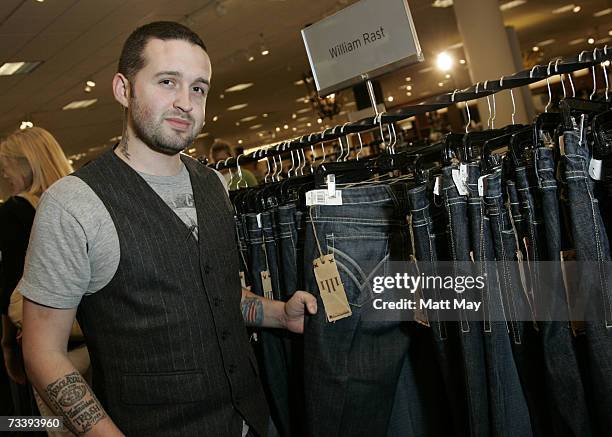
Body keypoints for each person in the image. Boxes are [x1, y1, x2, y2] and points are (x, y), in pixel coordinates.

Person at [19, 21, 316, 437]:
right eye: (166, 82)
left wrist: (279, 315)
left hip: (250, 420)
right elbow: (41, 351)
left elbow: (216, 294)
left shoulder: (213, 184)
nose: (185, 102)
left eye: (198, 88)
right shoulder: (74, 203)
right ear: (123, 89)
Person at [0, 127, 74, 431]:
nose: (4, 175)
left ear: (25, 165)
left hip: (41, 343)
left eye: (6, 167)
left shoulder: (14, 212)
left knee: (30, 423)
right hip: (90, 334)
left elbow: (10, 285)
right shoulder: (77, 201)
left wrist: (7, 345)